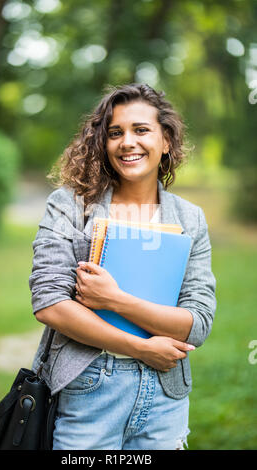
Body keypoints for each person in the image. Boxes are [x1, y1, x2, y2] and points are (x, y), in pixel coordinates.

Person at [29, 83, 216, 450]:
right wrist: (140, 347)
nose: (127, 142)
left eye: (141, 130)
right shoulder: (70, 205)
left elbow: (197, 324)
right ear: (103, 143)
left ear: (166, 141)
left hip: (165, 394)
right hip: (88, 385)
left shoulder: (190, 218)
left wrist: (114, 300)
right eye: (115, 133)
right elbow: (50, 303)